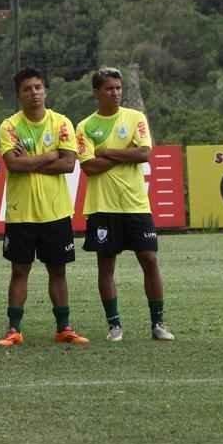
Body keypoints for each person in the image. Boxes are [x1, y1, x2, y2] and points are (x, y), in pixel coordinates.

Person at [76, 67, 174, 342]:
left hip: (135, 204)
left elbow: (143, 153)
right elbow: (89, 167)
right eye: (109, 88)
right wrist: (124, 154)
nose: (116, 93)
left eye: (118, 88)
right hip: (102, 206)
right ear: (97, 92)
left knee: (149, 259)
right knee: (106, 265)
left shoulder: (135, 118)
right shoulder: (85, 126)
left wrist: (106, 151)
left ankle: (158, 324)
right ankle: (114, 325)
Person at [0, 69, 89, 347]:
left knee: (57, 271)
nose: (34, 93)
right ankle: (14, 329)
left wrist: (33, 161)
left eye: (38, 87)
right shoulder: (9, 126)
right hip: (21, 211)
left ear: (45, 91)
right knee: (19, 270)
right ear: (19, 94)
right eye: (27, 89)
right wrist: (50, 156)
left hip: (55, 211)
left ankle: (64, 327)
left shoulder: (61, 123)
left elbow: (69, 164)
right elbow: (13, 164)